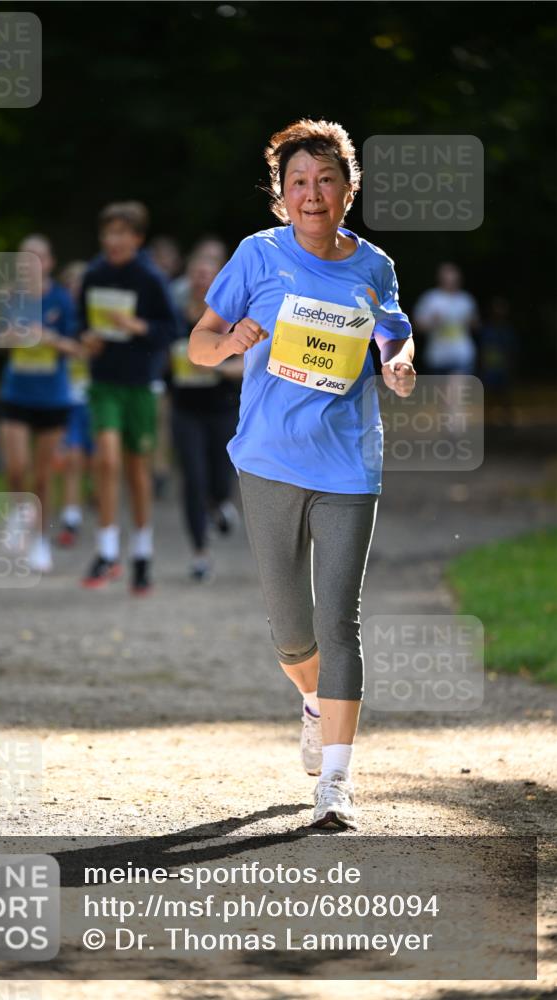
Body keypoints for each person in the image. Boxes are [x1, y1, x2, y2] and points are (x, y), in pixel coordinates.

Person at [188, 119, 416, 830]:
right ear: (281, 193)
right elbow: (197, 345)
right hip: (268, 460)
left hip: (349, 462)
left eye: (325, 180)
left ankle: (337, 783)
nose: (311, 194)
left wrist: (398, 362)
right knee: (292, 632)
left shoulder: (373, 265)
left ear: (348, 189)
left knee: (338, 620)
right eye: (298, 182)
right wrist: (230, 340)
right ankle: (313, 701)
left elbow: (394, 330)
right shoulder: (257, 255)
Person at [79, 201, 177, 593]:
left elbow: (171, 329)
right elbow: (79, 323)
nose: (113, 240)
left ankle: (141, 553)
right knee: (106, 460)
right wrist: (86, 338)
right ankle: (106, 551)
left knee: (137, 470)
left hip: (139, 385)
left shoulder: (150, 278)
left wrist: (138, 326)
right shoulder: (93, 274)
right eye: (108, 233)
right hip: (104, 382)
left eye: (121, 233)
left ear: (137, 238)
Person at [0, 235, 80, 572]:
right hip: (15, 394)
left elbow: (77, 347)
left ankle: (40, 542)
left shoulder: (62, 299)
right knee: (16, 468)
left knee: (43, 477)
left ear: (50, 262)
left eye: (37, 256)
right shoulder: (9, 297)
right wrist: (10, 337)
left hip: (52, 398)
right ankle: (19, 511)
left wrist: (48, 339)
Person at [170, 250, 243, 581]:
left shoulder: (231, 316)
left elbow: (249, 360)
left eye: (207, 274)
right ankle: (200, 552)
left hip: (222, 407)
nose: (201, 280)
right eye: (196, 274)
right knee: (193, 479)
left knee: (219, 478)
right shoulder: (175, 316)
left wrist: (220, 368)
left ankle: (220, 502)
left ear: (218, 280)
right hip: (185, 409)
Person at [54, 260, 94, 546]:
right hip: (68, 400)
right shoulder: (59, 320)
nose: (75, 292)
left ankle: (96, 504)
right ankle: (70, 517)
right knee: (72, 458)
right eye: (71, 286)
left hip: (96, 399)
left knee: (98, 462)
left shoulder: (99, 319)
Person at [413, 262, 479, 375]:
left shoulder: (466, 300)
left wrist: (471, 322)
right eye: (447, 278)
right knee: (439, 387)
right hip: (437, 357)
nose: (450, 281)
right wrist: (433, 322)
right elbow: (417, 327)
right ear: (440, 278)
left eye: (453, 278)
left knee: (457, 385)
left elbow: (476, 325)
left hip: (462, 355)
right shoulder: (430, 298)